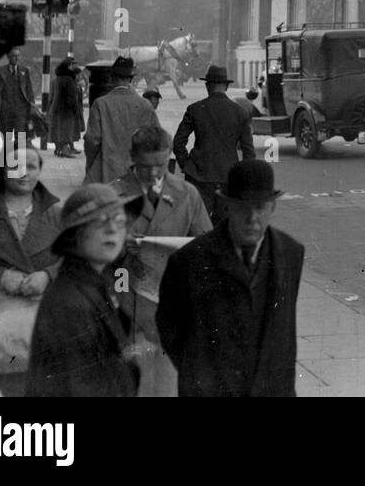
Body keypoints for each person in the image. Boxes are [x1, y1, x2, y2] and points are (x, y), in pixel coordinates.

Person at [156, 160, 304, 397]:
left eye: (261, 207)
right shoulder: (188, 261)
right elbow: (170, 329)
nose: (252, 217)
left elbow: (283, 332)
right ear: (227, 207)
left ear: (272, 207)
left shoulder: (290, 253)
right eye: (243, 207)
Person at [112, 125, 212, 398]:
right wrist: (118, 245)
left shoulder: (187, 194)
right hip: (125, 302)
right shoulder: (112, 195)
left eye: (161, 165)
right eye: (145, 166)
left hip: (172, 304)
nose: (154, 173)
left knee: (167, 385)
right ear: (132, 158)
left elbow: (208, 247)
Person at [25, 183, 139, 397]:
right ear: (74, 236)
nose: (112, 229)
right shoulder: (71, 303)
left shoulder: (97, 280)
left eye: (119, 220)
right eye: (99, 221)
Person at [0, 144, 62, 395]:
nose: (24, 173)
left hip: (45, 307)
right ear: (2, 171)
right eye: (16, 166)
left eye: (32, 166)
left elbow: (77, 257)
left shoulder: (57, 213)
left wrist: (48, 276)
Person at [173, 64, 256, 226]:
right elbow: (248, 152)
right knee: (224, 228)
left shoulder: (195, 109)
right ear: (226, 86)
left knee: (197, 226)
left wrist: (187, 165)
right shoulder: (240, 112)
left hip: (198, 176)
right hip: (228, 177)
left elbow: (178, 143)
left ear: (207, 86)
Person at [85, 55, 161, 184]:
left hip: (107, 173)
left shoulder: (101, 104)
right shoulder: (145, 105)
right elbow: (157, 139)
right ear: (131, 79)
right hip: (137, 175)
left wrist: (91, 166)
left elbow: (92, 140)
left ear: (112, 77)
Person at [0, 47, 42, 149]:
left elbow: (29, 90)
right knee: (6, 136)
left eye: (18, 56)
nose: (16, 58)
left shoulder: (24, 71)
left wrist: (32, 104)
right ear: (8, 57)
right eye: (14, 56)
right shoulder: (0, 71)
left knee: (20, 136)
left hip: (21, 110)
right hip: (6, 110)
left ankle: (18, 158)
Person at [47, 57, 84, 158]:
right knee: (66, 130)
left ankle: (60, 150)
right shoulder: (69, 79)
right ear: (68, 67)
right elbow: (71, 97)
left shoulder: (59, 78)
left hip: (57, 108)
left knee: (59, 130)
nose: (74, 68)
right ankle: (64, 150)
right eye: (72, 66)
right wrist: (75, 109)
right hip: (66, 110)